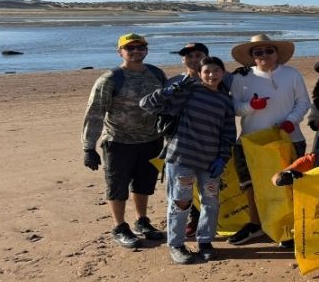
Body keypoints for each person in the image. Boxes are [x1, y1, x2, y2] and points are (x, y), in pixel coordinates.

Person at [140, 56, 236, 264]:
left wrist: (222, 157)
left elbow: (228, 133)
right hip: (182, 158)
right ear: (200, 74)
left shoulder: (225, 101)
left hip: (210, 162)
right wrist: (170, 90)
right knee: (181, 202)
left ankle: (205, 242)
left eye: (216, 71)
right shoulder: (189, 92)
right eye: (207, 72)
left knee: (210, 202)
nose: (212, 75)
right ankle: (176, 244)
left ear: (223, 72)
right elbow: (147, 104)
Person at [81, 33, 166, 249]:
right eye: (130, 48)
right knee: (117, 186)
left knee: (144, 184)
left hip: (151, 140)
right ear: (120, 52)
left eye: (140, 47)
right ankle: (119, 226)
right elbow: (94, 113)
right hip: (119, 142)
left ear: (146, 49)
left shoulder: (156, 74)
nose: (136, 51)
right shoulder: (110, 79)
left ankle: (142, 221)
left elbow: (167, 105)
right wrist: (88, 147)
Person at [227, 34, 311, 246]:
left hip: (289, 138)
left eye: (269, 51)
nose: (264, 55)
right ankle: (255, 224)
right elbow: (234, 107)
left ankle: (289, 226)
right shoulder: (241, 77)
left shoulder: (291, 74)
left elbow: (303, 102)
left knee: (288, 183)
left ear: (276, 53)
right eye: (258, 52)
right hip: (251, 141)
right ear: (252, 56)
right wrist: (250, 107)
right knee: (251, 185)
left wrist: (292, 120)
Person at [170, 42, 211, 239]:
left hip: (209, 144)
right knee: (181, 192)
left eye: (198, 55)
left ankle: (203, 226)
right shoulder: (175, 81)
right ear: (182, 59)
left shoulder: (215, 79)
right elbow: (157, 107)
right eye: (189, 56)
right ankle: (177, 236)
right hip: (180, 146)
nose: (194, 60)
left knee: (208, 191)